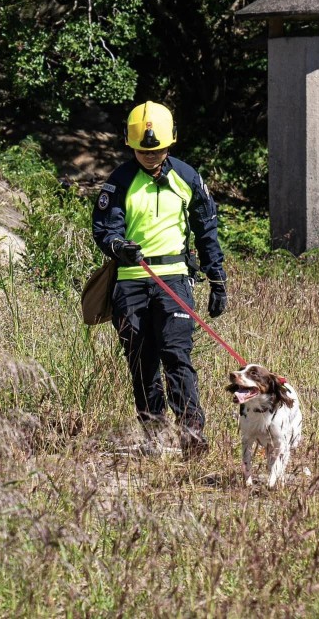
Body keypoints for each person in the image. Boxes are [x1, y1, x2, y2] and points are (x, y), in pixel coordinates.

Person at [91, 101, 228, 459]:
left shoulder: (188, 177)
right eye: (142, 150)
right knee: (141, 360)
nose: (150, 156)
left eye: (157, 149)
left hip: (175, 281)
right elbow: (105, 229)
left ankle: (191, 434)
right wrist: (119, 246)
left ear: (171, 142)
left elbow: (207, 231)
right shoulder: (119, 182)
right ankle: (153, 434)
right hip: (131, 282)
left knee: (176, 355)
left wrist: (217, 278)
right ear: (130, 145)